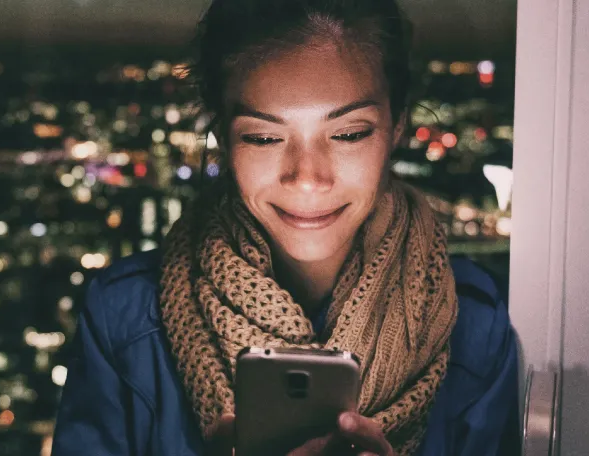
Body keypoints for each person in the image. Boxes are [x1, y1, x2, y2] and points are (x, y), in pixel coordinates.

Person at [52, 0, 519, 454]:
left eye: (349, 133)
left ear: (397, 125)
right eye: (263, 137)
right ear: (223, 137)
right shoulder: (126, 319)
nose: (308, 177)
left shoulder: (474, 328)